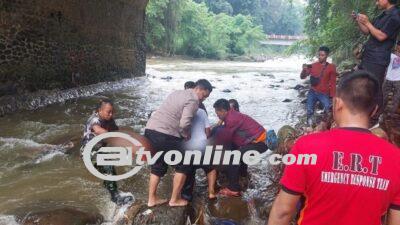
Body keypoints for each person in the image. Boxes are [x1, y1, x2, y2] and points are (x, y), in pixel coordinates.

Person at [268, 71, 400, 225]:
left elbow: (283, 211)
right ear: (375, 110)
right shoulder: (396, 158)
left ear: (337, 103)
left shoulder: (306, 146)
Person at [145, 79, 213, 207]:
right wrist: (186, 135)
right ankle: (174, 199)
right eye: (204, 96)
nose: (203, 99)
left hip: (150, 130)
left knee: (158, 164)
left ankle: (151, 199)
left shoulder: (176, 93)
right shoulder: (193, 100)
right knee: (186, 161)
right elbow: (184, 123)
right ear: (199, 89)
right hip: (165, 134)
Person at [352, 0, 400, 126]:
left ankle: (375, 120)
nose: (376, 2)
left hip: (378, 58)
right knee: (362, 82)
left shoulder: (396, 15)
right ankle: (364, 112)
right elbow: (367, 31)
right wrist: (359, 21)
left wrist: (367, 22)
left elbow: (381, 36)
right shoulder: (382, 15)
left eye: (378, 0)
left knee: (375, 86)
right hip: (369, 55)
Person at [81, 99, 133, 206]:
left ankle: (108, 186)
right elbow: (98, 130)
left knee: (111, 164)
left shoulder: (110, 120)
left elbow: (117, 131)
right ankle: (115, 197)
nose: (111, 114)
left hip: (100, 150)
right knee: (108, 164)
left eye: (112, 112)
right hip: (89, 151)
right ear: (100, 111)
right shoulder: (94, 119)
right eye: (108, 112)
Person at [213, 99, 268, 196]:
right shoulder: (232, 113)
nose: (217, 115)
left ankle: (233, 189)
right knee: (238, 150)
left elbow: (225, 138)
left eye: (217, 113)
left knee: (232, 157)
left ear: (223, 111)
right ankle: (243, 175)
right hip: (257, 141)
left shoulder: (231, 119)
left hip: (260, 143)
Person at [181, 107, 217, 201]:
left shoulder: (180, 112)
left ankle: (187, 196)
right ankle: (211, 192)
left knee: (188, 171)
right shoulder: (202, 111)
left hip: (189, 146)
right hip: (202, 145)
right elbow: (208, 131)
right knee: (210, 169)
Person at [301, 46, 338, 127]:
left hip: (324, 93)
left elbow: (333, 82)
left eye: (322, 55)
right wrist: (303, 70)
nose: (320, 57)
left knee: (328, 109)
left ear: (327, 56)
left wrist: (333, 97)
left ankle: (326, 125)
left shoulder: (331, 67)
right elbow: (302, 77)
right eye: (319, 55)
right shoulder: (312, 65)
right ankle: (309, 126)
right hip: (312, 92)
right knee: (309, 110)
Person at [381, 41, 400, 147]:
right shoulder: (391, 54)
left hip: (398, 80)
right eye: (398, 46)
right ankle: (381, 113)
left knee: (396, 98)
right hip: (388, 78)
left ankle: (390, 114)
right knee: (383, 95)